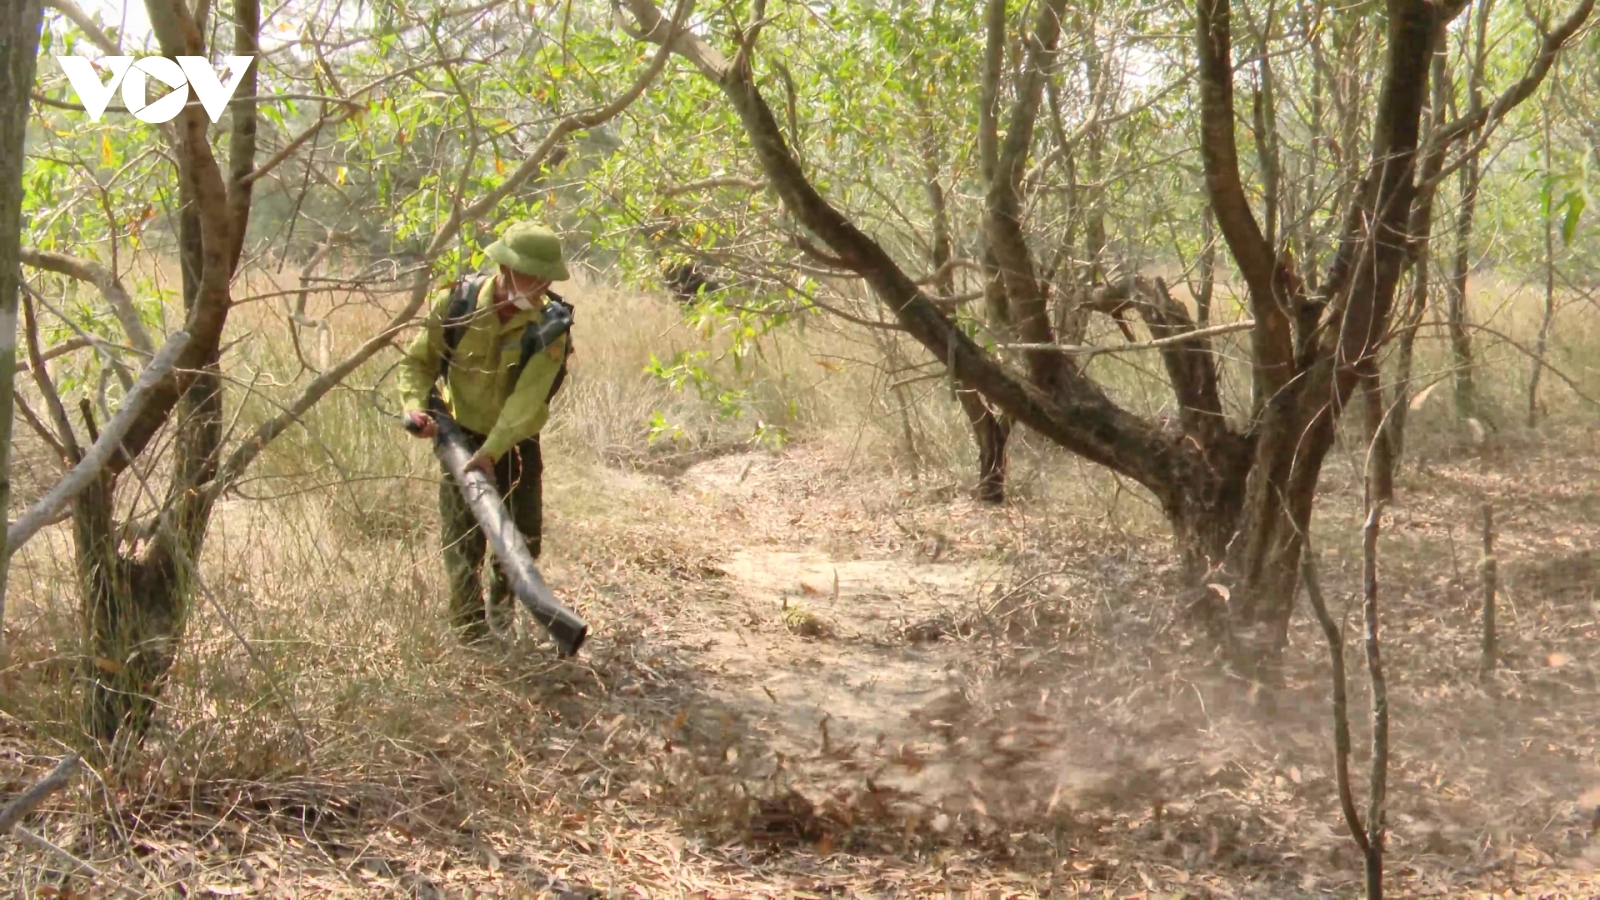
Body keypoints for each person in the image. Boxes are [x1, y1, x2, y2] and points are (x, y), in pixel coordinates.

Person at [397, 221, 572, 643]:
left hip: (515, 444)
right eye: (530, 273)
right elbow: (417, 362)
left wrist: (493, 452)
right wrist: (415, 408)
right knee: (462, 544)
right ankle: (471, 635)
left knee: (522, 542)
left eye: (544, 276)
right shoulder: (455, 304)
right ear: (505, 269)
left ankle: (500, 618)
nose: (538, 284)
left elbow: (527, 403)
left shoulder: (551, 326)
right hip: (460, 438)